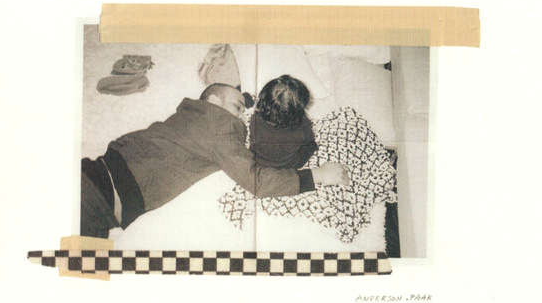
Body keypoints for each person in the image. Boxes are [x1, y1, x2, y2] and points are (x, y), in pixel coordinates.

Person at [80, 83, 349, 238]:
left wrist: (245, 99)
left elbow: (234, 100)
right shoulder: (219, 127)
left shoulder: (191, 114)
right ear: (211, 101)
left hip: (96, 177)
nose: (241, 115)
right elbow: (256, 181)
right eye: (237, 107)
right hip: (98, 196)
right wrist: (317, 175)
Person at [249, 75, 318, 169]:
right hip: (288, 166)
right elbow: (309, 138)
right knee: (311, 145)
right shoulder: (300, 129)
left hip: (258, 161)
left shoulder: (255, 118)